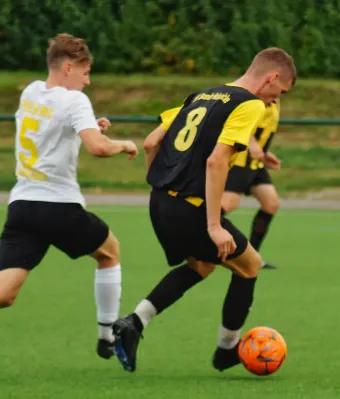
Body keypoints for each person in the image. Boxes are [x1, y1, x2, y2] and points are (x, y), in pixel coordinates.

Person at [0, 33, 138, 374]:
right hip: (58, 205)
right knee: (109, 252)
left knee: (5, 291)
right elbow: (98, 148)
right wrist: (124, 143)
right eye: (85, 72)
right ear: (68, 66)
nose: (88, 80)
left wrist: (86, 128)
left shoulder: (31, 92)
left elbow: (49, 130)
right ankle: (106, 336)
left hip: (22, 206)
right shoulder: (75, 102)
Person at [110, 48, 297, 373]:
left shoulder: (202, 95)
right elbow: (216, 160)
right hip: (191, 209)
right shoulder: (249, 103)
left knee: (201, 265)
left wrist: (160, 184)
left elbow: (151, 142)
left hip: (161, 203)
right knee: (249, 266)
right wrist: (214, 224)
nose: (273, 103)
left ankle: (134, 322)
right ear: (272, 77)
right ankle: (227, 350)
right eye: (278, 94)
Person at [221, 100, 282, 269]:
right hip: (240, 160)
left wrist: (264, 151)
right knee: (227, 205)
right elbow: (241, 124)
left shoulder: (274, 101)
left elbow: (260, 131)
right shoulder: (255, 100)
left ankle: (251, 255)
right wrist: (253, 145)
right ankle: (197, 245)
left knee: (271, 204)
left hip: (256, 163)